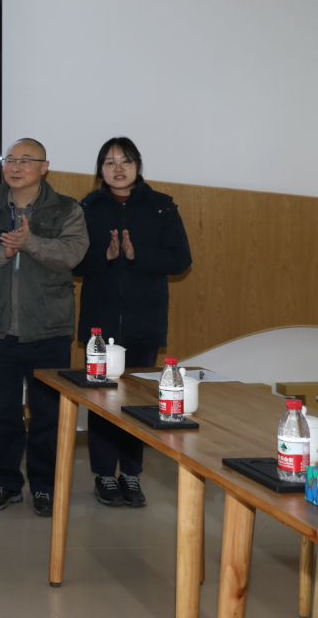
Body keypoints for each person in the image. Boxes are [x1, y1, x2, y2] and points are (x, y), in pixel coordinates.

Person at [0, 138, 88, 518]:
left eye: (26, 160)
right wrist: (4, 251)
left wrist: (30, 243)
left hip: (48, 330)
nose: (15, 166)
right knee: (0, 414)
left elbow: (72, 254)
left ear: (44, 167)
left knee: (47, 416)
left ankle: (45, 486)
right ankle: (5, 483)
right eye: (10, 160)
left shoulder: (66, 208)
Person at [75, 137, 191, 508]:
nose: (118, 168)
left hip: (144, 319)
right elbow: (73, 263)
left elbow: (181, 260)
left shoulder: (161, 206)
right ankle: (104, 475)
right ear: (100, 170)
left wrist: (137, 254)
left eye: (125, 161)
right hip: (100, 324)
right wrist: (106, 255)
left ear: (138, 166)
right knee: (102, 399)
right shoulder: (87, 207)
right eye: (109, 162)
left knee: (138, 399)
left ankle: (130, 473)